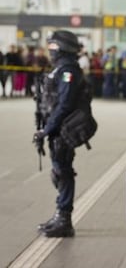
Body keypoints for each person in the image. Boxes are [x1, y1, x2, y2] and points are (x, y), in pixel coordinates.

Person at [32, 30, 84, 237]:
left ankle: (64, 219)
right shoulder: (61, 69)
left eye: (54, 47)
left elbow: (64, 104)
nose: (51, 51)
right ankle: (60, 215)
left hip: (63, 129)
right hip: (57, 128)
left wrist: (47, 129)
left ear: (64, 48)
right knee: (59, 171)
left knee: (63, 172)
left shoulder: (68, 70)